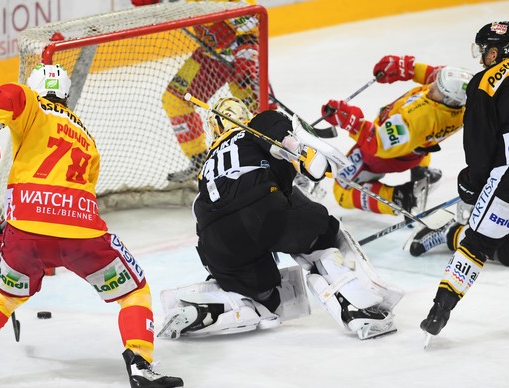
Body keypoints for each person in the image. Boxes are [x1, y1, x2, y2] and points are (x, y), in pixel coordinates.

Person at [0, 64, 183, 388]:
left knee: (5, 295)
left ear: (36, 87)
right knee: (134, 291)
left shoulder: (34, 106)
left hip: (26, 234)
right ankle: (139, 364)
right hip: (81, 236)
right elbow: (77, 193)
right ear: (67, 94)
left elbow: (9, 94)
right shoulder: (86, 137)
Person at [156, 97, 404, 341]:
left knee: (266, 299)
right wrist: (303, 154)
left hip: (216, 243)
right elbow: (285, 142)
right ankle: (357, 309)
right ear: (244, 115)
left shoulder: (207, 166)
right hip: (262, 213)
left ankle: (220, 304)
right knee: (324, 235)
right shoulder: (258, 123)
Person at [420, 21, 509, 339]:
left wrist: (472, 182)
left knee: (479, 242)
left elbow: (479, 144)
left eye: (484, 51)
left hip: (506, 177)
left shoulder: (485, 82)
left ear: (496, 52)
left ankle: (439, 309)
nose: (482, 57)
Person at [320, 56, 473, 217]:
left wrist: (351, 122)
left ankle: (401, 197)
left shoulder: (418, 120)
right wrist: (408, 68)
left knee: (342, 192)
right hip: (415, 151)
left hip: (385, 157)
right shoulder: (461, 103)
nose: (432, 86)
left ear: (450, 100)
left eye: (437, 88)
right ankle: (421, 171)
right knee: (420, 143)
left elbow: (379, 144)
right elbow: (436, 76)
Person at [130, 0, 263, 182]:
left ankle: (281, 155)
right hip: (212, 55)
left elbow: (252, 23)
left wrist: (246, 60)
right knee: (175, 100)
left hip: (243, 54)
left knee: (259, 108)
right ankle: (200, 161)